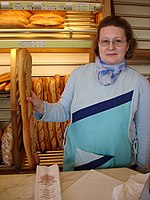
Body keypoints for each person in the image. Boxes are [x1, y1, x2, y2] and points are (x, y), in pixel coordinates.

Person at [27, 15, 150, 173]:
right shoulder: (79, 74)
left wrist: (142, 171)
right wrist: (41, 107)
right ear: (98, 44)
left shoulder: (140, 83)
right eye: (105, 41)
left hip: (121, 167)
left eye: (118, 41)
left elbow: (145, 133)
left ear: (128, 45)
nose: (111, 47)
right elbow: (63, 111)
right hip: (78, 163)